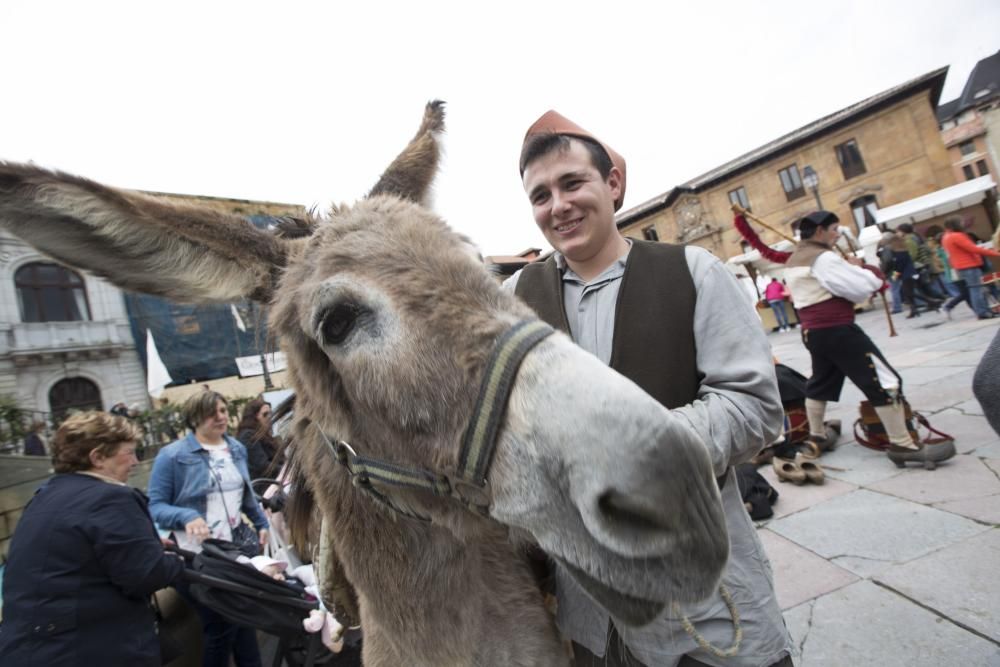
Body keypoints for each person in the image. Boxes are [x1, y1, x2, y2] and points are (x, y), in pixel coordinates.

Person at [507, 110, 792, 666]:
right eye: (541, 195)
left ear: (612, 183)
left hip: (702, 597)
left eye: (572, 183)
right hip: (592, 615)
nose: (558, 205)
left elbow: (755, 407)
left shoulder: (694, 271)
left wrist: (635, 448)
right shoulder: (516, 297)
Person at [0, 411, 184, 666]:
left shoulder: (45, 495)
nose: (134, 462)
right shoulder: (111, 498)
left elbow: (80, 555)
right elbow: (146, 574)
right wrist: (174, 560)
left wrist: (142, 547)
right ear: (97, 457)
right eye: (129, 452)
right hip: (91, 649)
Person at [783, 210, 956, 469]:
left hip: (814, 333)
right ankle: (903, 445)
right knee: (885, 381)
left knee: (820, 382)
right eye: (833, 230)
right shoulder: (824, 258)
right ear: (819, 230)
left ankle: (816, 436)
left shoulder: (796, 259)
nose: (836, 236)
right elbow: (860, 289)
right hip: (838, 331)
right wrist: (861, 269)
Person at [149, 390, 270, 667]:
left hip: (231, 551)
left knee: (241, 621)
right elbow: (154, 507)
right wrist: (186, 516)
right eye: (212, 412)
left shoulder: (235, 449)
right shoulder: (172, 456)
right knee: (221, 624)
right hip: (194, 557)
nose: (221, 417)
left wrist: (262, 524)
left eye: (224, 411)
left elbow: (246, 495)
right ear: (195, 418)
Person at [941, 218, 1000, 320]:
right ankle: (983, 312)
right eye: (961, 223)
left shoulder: (946, 237)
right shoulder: (956, 236)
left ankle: (983, 311)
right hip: (969, 265)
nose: (963, 224)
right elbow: (973, 248)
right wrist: (995, 253)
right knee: (977, 290)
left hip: (961, 266)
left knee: (975, 289)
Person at [236, 399, 282, 479]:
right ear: (254, 417)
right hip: (263, 485)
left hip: (276, 481)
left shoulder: (265, 434)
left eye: (270, 414)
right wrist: (285, 471)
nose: (269, 417)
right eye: (265, 414)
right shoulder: (247, 435)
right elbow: (261, 465)